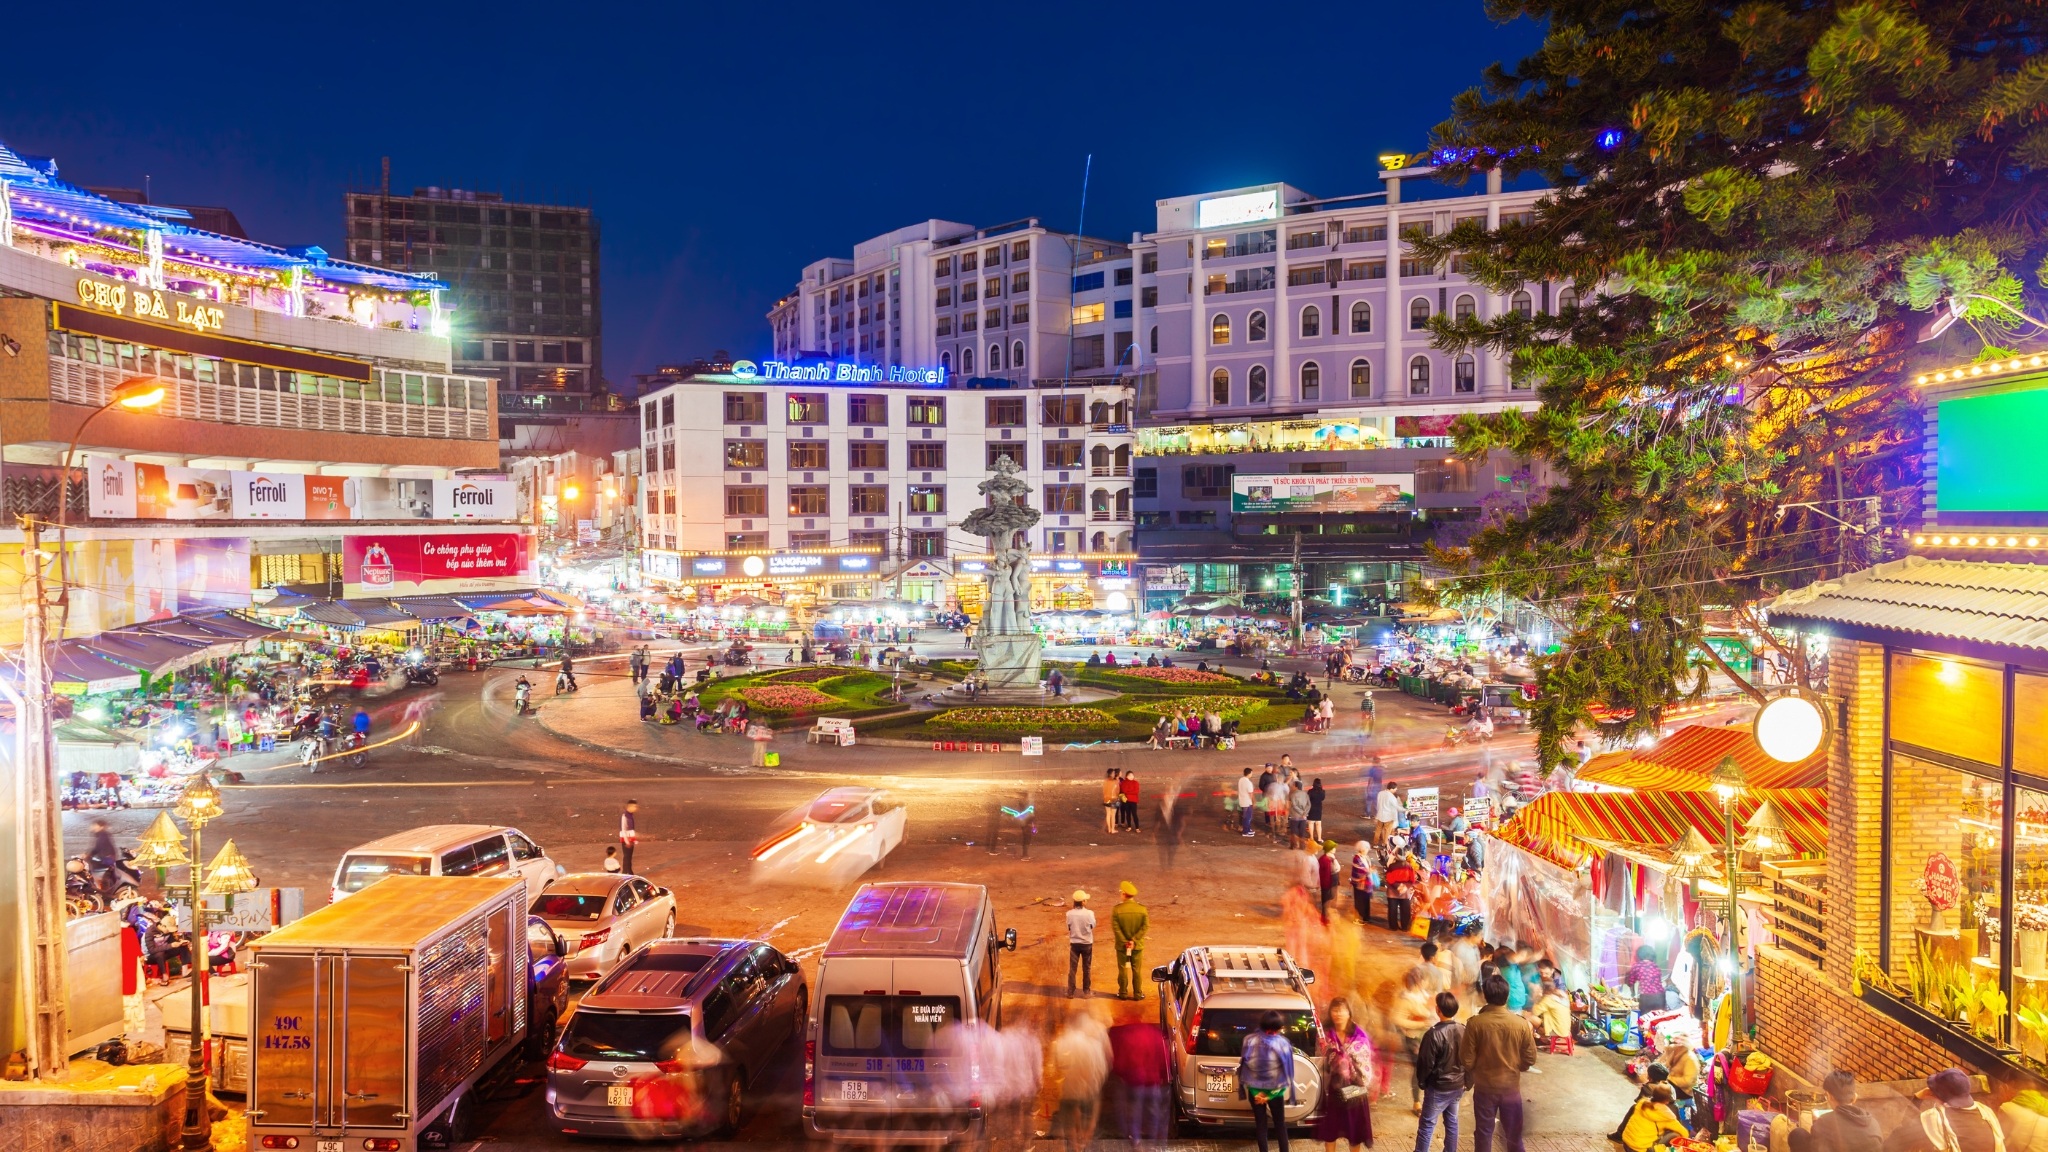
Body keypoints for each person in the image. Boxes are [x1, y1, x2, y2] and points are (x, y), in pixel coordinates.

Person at [1462, 975, 1538, 1152]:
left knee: (1483, 1134)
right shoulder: (1521, 1024)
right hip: (1511, 1089)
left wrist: (1478, 1069)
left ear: (1486, 996)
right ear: (1507, 996)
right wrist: (1515, 1066)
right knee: (1513, 1136)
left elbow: (1466, 1060)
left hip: (1484, 1089)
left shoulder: (1475, 1024)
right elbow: (1530, 1059)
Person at [1316, 997, 1381, 1152]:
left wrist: (1345, 1062)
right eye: (1335, 1009)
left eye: (1342, 1010)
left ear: (1349, 1013)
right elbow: (1320, 1058)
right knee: (1330, 1131)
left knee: (1355, 1132)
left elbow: (1364, 1064)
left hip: (1355, 1089)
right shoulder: (1325, 1034)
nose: (1338, 1013)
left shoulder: (1359, 1036)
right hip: (1333, 1089)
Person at [1887, 1069, 2003, 1152]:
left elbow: (1895, 1142)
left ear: (1935, 1093)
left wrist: (1917, 1099)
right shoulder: (1986, 1112)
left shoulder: (1933, 1119)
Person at [1414, 991, 1467, 1152]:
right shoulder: (1463, 1029)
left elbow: (1425, 1063)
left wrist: (1422, 1082)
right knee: (1452, 1122)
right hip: (1458, 1085)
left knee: (1427, 1125)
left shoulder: (1433, 1034)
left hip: (1439, 1087)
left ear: (1438, 1010)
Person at [1053, 1008, 1112, 1152]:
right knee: (1090, 1115)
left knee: (1070, 1117)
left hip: (1071, 1089)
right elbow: (1104, 1066)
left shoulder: (1065, 1040)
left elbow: (1059, 1064)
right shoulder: (1095, 1043)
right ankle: (1085, 1141)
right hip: (1091, 1089)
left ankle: (1074, 1145)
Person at [1239, 1009, 1297, 1152]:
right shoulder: (1283, 1043)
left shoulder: (1249, 1040)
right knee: (1280, 1125)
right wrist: (1272, 1094)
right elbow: (1287, 1071)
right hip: (1276, 1091)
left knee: (1261, 1125)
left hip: (1255, 1092)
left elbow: (1244, 1067)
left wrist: (1255, 1091)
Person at [1107, 1018, 1172, 1145]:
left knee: (1133, 1113)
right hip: (1153, 1083)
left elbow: (1119, 1062)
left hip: (1134, 1082)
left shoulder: (1126, 1036)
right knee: (1154, 1113)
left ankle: (1135, 1142)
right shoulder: (1155, 1035)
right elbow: (1164, 1057)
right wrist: (1163, 1076)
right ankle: (1153, 1142)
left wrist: (1121, 1074)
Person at [1809, 1071, 1883, 1152]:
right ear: (1855, 1097)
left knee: (1798, 1134)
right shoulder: (1873, 1122)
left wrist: (1816, 1123)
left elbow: (1817, 1147)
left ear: (1829, 1096)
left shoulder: (1823, 1122)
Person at [1621, 1084, 1690, 1152]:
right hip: (1639, 1149)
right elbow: (1684, 1133)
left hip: (1626, 1142)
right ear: (1667, 1101)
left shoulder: (1642, 1103)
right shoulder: (1666, 1115)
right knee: (1675, 1135)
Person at [1112, 880, 1149, 1000]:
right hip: (1137, 946)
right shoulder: (1142, 909)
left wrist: (1125, 942)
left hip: (1122, 947)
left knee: (1123, 969)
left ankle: (1123, 993)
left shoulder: (1117, 910)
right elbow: (1145, 926)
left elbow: (1116, 928)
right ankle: (1138, 994)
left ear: (1123, 894)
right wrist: (1134, 940)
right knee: (1136, 970)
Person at [1067, 890, 1096, 998]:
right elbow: (1092, 926)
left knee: (1072, 968)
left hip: (1074, 944)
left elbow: (1069, 927)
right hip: (1086, 943)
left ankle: (1070, 991)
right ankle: (1086, 991)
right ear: (1083, 902)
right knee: (1086, 968)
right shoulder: (1089, 913)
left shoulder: (1069, 914)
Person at [1627, 944, 1669, 1013]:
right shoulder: (1655, 966)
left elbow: (1631, 982)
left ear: (1639, 955)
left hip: (1646, 998)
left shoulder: (1637, 966)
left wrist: (1633, 995)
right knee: (1658, 1018)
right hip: (1660, 996)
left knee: (1645, 1019)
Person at [1383, 854, 1419, 932]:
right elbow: (1412, 880)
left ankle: (1393, 927)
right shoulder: (1409, 866)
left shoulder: (1391, 866)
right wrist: (1405, 887)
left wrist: (1397, 886)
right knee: (1405, 910)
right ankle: (1405, 927)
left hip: (1392, 892)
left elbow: (1389, 878)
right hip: (1405, 892)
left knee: (1392, 910)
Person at [1350, 843, 1377, 924]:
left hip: (1366, 883)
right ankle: (1359, 918)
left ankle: (1366, 917)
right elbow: (1358, 870)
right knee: (1359, 901)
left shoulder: (1366, 857)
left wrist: (1370, 870)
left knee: (1366, 900)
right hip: (1359, 883)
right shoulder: (1357, 858)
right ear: (1362, 849)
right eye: (1366, 849)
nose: (1368, 850)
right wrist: (1369, 871)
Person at [1317, 842, 1340, 925]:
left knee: (1331, 899)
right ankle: (1325, 919)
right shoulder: (1325, 859)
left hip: (1333, 882)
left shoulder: (1331, 857)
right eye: (1333, 847)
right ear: (1329, 849)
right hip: (1328, 884)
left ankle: (1328, 917)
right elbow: (1326, 874)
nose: (1335, 849)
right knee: (1327, 901)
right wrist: (1327, 886)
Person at [1375, 782, 1403, 847]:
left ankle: (1375, 843)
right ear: (1392, 789)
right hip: (1388, 817)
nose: (1396, 790)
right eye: (1395, 789)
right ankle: (1385, 844)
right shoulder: (1391, 797)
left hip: (1380, 815)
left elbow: (1378, 804)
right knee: (1387, 831)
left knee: (1378, 830)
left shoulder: (1380, 793)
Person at [619, 799, 640, 874]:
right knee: (627, 857)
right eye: (634, 806)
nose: (635, 808)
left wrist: (634, 840)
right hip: (626, 840)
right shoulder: (625, 816)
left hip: (630, 839)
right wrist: (627, 841)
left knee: (627, 857)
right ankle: (629, 873)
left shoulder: (630, 815)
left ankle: (625, 873)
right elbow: (623, 829)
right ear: (629, 806)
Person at [1239, 768, 1259, 837]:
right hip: (1247, 802)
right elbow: (1251, 793)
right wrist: (1254, 801)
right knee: (1247, 817)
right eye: (1251, 773)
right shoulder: (1248, 783)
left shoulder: (1241, 780)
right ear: (1249, 773)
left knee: (1245, 817)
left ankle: (1247, 829)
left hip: (1242, 801)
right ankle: (1245, 832)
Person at [1307, 778, 1327, 845]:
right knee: (1318, 824)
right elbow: (1322, 798)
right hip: (1318, 808)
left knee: (1311, 823)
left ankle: (1311, 838)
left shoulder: (1310, 791)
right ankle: (1319, 838)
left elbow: (1308, 798)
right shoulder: (1322, 792)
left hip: (1311, 808)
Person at [1104, 769, 1122, 835]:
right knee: (1113, 815)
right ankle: (1112, 829)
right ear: (1112, 774)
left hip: (1106, 799)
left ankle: (1109, 828)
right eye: (1114, 773)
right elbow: (1117, 791)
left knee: (1108, 814)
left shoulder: (1105, 781)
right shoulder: (1115, 781)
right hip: (1114, 799)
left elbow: (1104, 790)